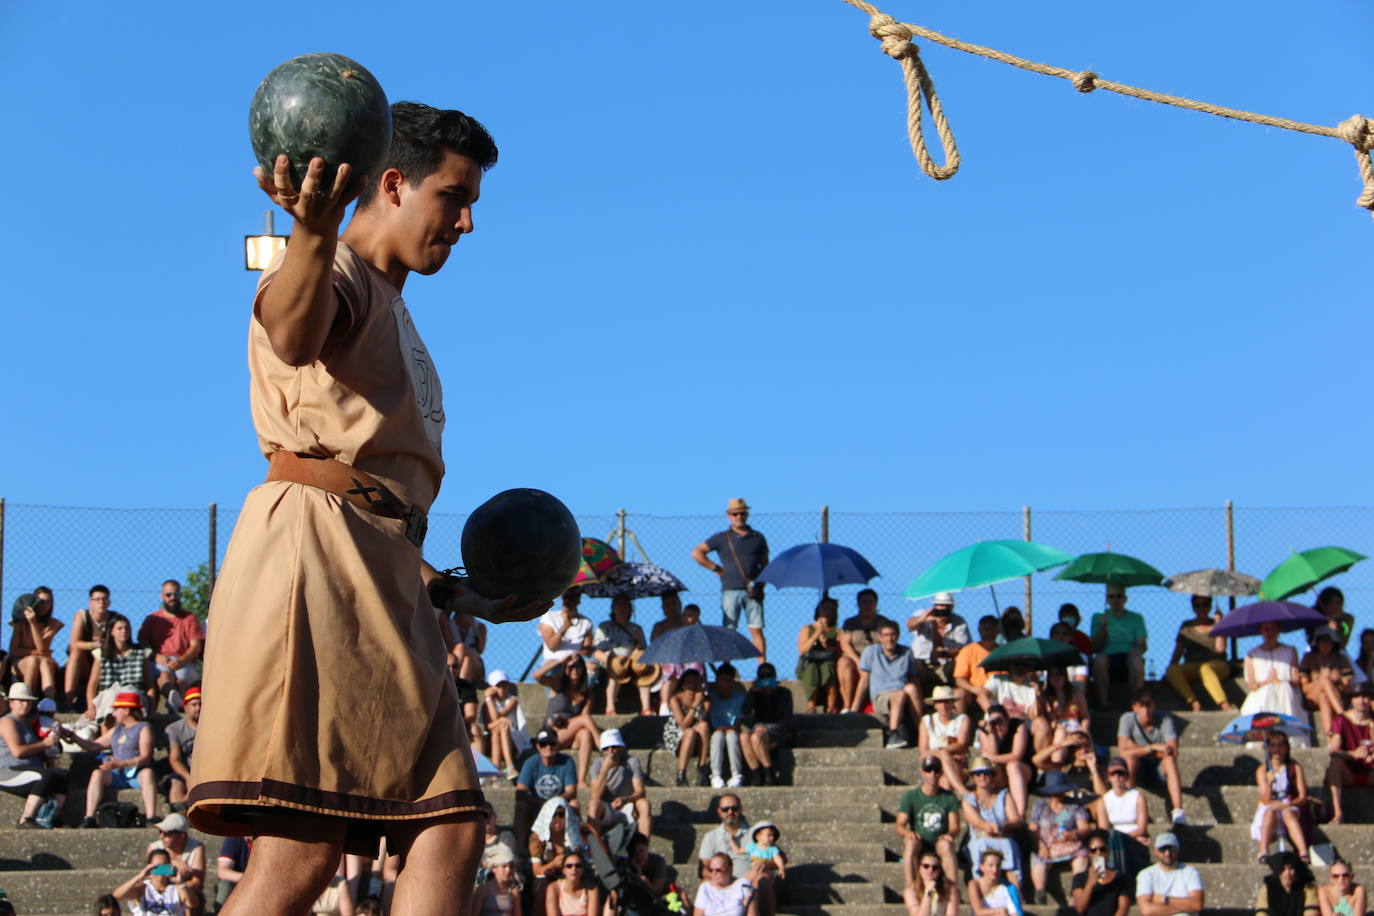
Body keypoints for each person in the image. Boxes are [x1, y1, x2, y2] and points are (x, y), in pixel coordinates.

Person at [185, 101, 534, 916]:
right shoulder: (332, 269)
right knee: (302, 851)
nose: (468, 221)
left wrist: (450, 589)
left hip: (382, 564)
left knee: (449, 826)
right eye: (454, 195)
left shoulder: (395, 304)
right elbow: (291, 332)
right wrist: (310, 230)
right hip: (313, 556)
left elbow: (378, 490)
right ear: (392, 183)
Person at [691, 498, 770, 659]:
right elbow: (697, 553)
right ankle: (727, 668)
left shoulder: (758, 538)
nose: (738, 516)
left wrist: (761, 585)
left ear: (747, 515)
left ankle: (762, 669)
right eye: (735, 514)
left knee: (756, 630)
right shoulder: (721, 538)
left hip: (753, 590)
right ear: (728, 516)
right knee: (728, 630)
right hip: (730, 588)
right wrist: (716, 569)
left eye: (741, 513)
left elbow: (766, 564)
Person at [0, 682, 81, 827]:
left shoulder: (28, 724)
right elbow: (17, 751)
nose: (25, 705)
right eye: (21, 701)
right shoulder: (7, 721)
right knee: (45, 775)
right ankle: (26, 818)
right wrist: (45, 744)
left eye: (28, 701)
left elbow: (38, 751)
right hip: (8, 772)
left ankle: (52, 816)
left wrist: (52, 749)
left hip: (29, 770)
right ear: (11, 703)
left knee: (62, 775)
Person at [82, 690, 157, 825]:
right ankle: (89, 817)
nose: (113, 713)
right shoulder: (117, 730)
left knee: (148, 773)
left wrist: (120, 764)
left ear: (127, 710)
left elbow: (146, 757)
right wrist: (71, 736)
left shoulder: (143, 727)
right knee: (97, 774)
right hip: (117, 774)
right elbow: (93, 746)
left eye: (116, 709)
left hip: (136, 774)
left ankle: (151, 817)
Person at [1116, 689, 1186, 825]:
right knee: (1130, 760)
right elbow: (1123, 752)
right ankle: (1129, 809)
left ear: (1154, 705)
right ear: (1134, 707)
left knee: (1170, 760)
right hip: (1138, 770)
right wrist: (1152, 747)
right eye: (1141, 707)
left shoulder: (1165, 720)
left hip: (1159, 769)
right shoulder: (1127, 719)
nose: (1146, 711)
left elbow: (1173, 751)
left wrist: (1135, 747)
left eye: (1149, 706)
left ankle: (1178, 811)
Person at [698, 794, 773, 916]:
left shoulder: (756, 834)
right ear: (719, 812)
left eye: (734, 808)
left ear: (741, 809)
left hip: (750, 879)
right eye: (725, 809)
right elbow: (703, 869)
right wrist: (721, 877)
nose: (730, 812)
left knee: (763, 879)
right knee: (705, 882)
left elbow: (778, 858)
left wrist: (762, 865)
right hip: (723, 880)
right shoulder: (711, 837)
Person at [1027, 770, 1092, 905]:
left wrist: (1073, 834)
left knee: (1082, 856)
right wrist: (1041, 845)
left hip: (1070, 844)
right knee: (1038, 860)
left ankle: (1076, 896)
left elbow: (1084, 827)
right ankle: (1040, 893)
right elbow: (1033, 828)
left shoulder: (1074, 805)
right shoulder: (1040, 805)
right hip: (1047, 844)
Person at [853, 621, 922, 749]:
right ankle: (893, 734)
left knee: (911, 688)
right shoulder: (871, 651)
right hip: (882, 696)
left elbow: (914, 679)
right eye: (885, 635)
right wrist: (854, 708)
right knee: (899, 694)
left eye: (893, 634)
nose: (889, 638)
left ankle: (922, 732)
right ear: (879, 637)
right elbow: (864, 680)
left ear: (898, 635)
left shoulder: (906, 652)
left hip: (904, 693)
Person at [138, 579, 204, 709]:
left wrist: (181, 660)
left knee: (181, 680)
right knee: (164, 675)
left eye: (176, 594)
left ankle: (180, 707)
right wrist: (156, 656)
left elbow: (195, 646)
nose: (172, 598)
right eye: (169, 595)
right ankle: (172, 697)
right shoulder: (152, 619)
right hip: (159, 660)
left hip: (184, 661)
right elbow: (143, 643)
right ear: (162, 596)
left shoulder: (190, 619)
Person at [896, 755, 962, 882]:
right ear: (922, 773)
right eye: (928, 770)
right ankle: (911, 888)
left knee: (946, 845)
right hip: (920, 841)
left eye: (936, 771)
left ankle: (952, 890)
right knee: (910, 843)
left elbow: (955, 826)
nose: (932, 774)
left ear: (941, 773)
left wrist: (950, 834)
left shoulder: (949, 797)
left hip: (938, 841)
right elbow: (900, 825)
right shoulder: (911, 796)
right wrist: (908, 833)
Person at [1163, 595, 1235, 712]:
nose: (1201, 608)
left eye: (1205, 605)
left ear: (1210, 606)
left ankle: (1223, 703)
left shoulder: (1216, 624)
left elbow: (1220, 649)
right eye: (1197, 605)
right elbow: (1178, 652)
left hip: (1216, 664)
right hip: (1193, 665)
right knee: (1172, 670)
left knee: (1205, 669)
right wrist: (1170, 670)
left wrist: (1219, 625)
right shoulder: (1187, 627)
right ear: (1193, 607)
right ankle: (1193, 702)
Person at [1253, 729, 1312, 863]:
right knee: (1269, 812)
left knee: (1288, 814)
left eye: (1280, 745)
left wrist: (1288, 804)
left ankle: (1303, 852)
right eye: (1273, 745)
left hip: (1289, 802)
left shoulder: (1294, 767)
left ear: (1286, 747)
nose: (1277, 750)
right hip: (1270, 804)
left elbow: (1302, 796)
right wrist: (1269, 783)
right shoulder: (1262, 770)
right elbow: (1265, 799)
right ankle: (1263, 851)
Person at [962, 756, 1023, 884]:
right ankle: (982, 888)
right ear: (973, 777)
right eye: (978, 773)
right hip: (981, 839)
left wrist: (1001, 827)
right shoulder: (968, 800)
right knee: (980, 845)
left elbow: (1016, 820)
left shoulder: (1004, 796)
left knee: (1009, 846)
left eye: (986, 773)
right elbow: (978, 823)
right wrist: (994, 828)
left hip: (1003, 837)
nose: (982, 776)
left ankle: (1016, 890)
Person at [540, 656, 601, 787]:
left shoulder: (586, 693)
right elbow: (537, 675)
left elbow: (585, 718)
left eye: (578, 666)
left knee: (585, 733)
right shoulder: (558, 684)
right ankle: (601, 744)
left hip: (572, 734)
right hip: (553, 733)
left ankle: (581, 780)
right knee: (585, 720)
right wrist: (559, 661)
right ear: (565, 669)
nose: (574, 669)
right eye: (570, 666)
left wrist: (568, 720)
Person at [595, 596, 659, 716]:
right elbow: (597, 651)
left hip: (632, 660)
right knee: (616, 669)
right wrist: (611, 660)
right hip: (613, 661)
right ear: (613, 608)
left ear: (630, 609)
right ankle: (610, 708)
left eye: (625, 605)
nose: (622, 608)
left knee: (643, 670)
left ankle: (646, 708)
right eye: (619, 605)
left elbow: (643, 650)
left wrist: (638, 640)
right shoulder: (604, 627)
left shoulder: (636, 628)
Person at [85, 612, 155, 720]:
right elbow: (92, 685)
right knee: (110, 696)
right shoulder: (102, 654)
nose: (124, 631)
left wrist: (152, 708)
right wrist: (91, 707)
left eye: (127, 628)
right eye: (120, 628)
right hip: (108, 694)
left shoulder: (141, 653)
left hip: (133, 692)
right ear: (112, 631)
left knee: (130, 695)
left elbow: (150, 685)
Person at [839, 589, 897, 713]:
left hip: (877, 661)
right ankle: (847, 705)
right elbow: (845, 644)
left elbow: (889, 644)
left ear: (876, 604)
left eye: (870, 602)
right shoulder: (850, 623)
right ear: (858, 605)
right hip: (855, 660)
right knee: (844, 663)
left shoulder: (884, 622)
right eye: (864, 602)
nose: (867, 605)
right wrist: (858, 661)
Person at [585, 728, 651, 839]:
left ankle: (643, 848)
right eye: (606, 749)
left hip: (628, 806)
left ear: (621, 748)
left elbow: (640, 791)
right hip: (607, 809)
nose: (611, 751)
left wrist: (625, 799)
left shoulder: (632, 762)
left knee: (645, 804)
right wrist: (605, 769)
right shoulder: (597, 764)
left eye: (614, 747)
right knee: (593, 804)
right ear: (602, 751)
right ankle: (593, 849)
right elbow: (595, 795)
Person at [1091, 757, 1149, 881]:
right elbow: (1104, 830)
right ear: (1108, 777)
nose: (1117, 777)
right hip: (1114, 840)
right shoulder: (1104, 800)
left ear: (1126, 775)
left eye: (1120, 773)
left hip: (1132, 838)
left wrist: (1123, 837)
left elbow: (1142, 828)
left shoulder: (1138, 797)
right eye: (1113, 774)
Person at [1324, 682, 1373, 825]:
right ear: (1352, 700)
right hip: (1349, 772)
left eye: (1365, 697)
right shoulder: (1342, 720)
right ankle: (1338, 813)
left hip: (1370, 771)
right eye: (1358, 697)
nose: (1362, 700)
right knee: (1335, 764)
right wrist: (1352, 754)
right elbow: (1334, 750)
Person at [1090, 587, 1147, 707]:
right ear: (1107, 600)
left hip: (1128, 657)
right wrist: (1102, 629)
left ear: (1125, 599)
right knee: (1099, 660)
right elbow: (1094, 647)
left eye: (1119, 596)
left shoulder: (1136, 618)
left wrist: (1136, 651)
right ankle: (1104, 704)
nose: (1116, 599)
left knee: (1136, 660)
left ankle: (1137, 704)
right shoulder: (1098, 617)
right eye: (1112, 596)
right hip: (1107, 658)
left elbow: (1142, 645)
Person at [740, 662, 793, 787]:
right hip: (758, 731)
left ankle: (769, 774)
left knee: (756, 736)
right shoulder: (756, 694)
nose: (766, 678)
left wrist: (765, 728)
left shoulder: (784, 693)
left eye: (769, 675)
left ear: (774, 676)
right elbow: (744, 712)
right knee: (744, 737)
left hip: (777, 731)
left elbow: (786, 719)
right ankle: (756, 773)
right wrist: (752, 693)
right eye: (762, 676)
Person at [906, 593, 970, 694]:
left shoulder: (959, 622)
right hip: (923, 663)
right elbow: (909, 624)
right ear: (934, 606)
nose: (943, 610)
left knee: (961, 660)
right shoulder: (923, 614)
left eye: (947, 607)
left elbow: (963, 649)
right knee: (912, 662)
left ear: (952, 607)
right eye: (940, 606)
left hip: (947, 665)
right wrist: (922, 619)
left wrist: (944, 653)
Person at [1241, 620, 1305, 719]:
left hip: (1285, 695)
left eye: (1273, 629)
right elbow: (1252, 685)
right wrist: (1267, 682)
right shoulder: (1252, 654)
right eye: (1266, 629)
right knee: (1267, 691)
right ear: (1261, 631)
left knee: (1283, 688)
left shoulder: (1290, 651)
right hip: (1261, 694)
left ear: (1278, 630)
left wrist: (1280, 681)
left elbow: (1295, 680)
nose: (1269, 632)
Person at [977, 704, 1033, 817]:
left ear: (1007, 719)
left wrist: (991, 758)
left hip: (1022, 771)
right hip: (1000, 775)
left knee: (1012, 766)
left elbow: (1017, 755)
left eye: (1000, 721)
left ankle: (1020, 814)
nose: (998, 726)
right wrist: (991, 733)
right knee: (989, 767)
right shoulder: (985, 731)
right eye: (993, 722)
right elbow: (990, 761)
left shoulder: (1018, 726)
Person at [529, 798, 581, 916]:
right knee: (545, 886)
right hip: (546, 878)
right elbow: (536, 870)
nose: (557, 819)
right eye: (553, 815)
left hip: (570, 876)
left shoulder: (573, 834)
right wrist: (552, 864)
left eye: (561, 814)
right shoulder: (537, 838)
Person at [64, 584, 113, 710]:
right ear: (90, 602)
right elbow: (74, 642)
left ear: (109, 602)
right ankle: (68, 700)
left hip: (105, 662)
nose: (101, 602)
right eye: (97, 599)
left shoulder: (114, 619)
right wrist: (93, 645)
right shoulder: (82, 616)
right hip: (85, 663)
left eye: (104, 599)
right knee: (75, 653)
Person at [1301, 628, 1356, 738]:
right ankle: (1342, 715)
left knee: (1324, 697)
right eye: (1322, 641)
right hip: (1312, 696)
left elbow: (1348, 688)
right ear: (1317, 643)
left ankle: (1331, 736)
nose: (1325, 644)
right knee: (1325, 681)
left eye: (1328, 641)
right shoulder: (1309, 658)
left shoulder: (1341, 658)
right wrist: (1321, 680)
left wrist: (1339, 678)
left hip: (1336, 696)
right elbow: (1304, 688)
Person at [534, 590, 598, 685]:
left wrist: (572, 657)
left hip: (576, 661)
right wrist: (564, 628)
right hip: (554, 661)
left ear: (578, 600)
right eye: (565, 597)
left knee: (592, 668)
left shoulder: (586, 622)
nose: (568, 600)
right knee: (551, 673)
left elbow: (588, 650)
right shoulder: (549, 617)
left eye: (572, 597)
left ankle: (583, 695)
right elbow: (552, 646)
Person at [147, 812, 207, 913]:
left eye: (167, 833)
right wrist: (173, 865)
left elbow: (197, 882)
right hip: (159, 889)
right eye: (160, 832)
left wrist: (178, 886)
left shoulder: (196, 848)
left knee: (195, 898)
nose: (161, 836)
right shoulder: (154, 847)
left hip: (184, 889)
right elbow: (150, 872)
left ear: (181, 836)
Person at [9, 589, 62, 701]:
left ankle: (50, 703)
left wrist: (33, 623)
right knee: (34, 660)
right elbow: (14, 651)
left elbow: (42, 647)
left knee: (45, 662)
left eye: (48, 602)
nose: (45, 605)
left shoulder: (53, 624)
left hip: (44, 662)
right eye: (41, 601)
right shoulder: (19, 622)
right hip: (22, 663)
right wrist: (37, 653)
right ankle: (28, 700)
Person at [1135, 832, 1204, 916]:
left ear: (1178, 850)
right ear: (1156, 851)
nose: (1167, 853)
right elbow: (1146, 910)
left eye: (1172, 849)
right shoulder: (1146, 875)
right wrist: (1184, 907)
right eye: (1163, 849)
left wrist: (1164, 899)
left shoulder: (1190, 872)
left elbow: (1197, 904)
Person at [664, 668, 711, 787]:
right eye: (690, 682)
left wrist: (702, 702)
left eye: (696, 682)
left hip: (698, 735)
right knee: (690, 732)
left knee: (704, 726)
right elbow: (684, 724)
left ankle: (702, 768)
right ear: (684, 684)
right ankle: (681, 774)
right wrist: (694, 706)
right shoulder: (675, 699)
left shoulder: (703, 698)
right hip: (678, 734)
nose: (693, 686)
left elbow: (703, 718)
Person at [919, 685, 970, 791]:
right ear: (935, 705)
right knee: (945, 783)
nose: (943, 705)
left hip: (957, 766)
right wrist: (944, 752)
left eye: (947, 701)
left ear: (952, 703)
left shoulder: (962, 720)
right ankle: (962, 790)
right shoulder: (927, 721)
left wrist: (939, 752)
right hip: (934, 766)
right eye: (940, 702)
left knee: (946, 781)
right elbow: (923, 752)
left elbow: (962, 744)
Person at [484, 670, 532, 782]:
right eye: (498, 686)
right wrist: (489, 700)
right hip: (497, 736)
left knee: (503, 724)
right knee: (498, 730)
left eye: (504, 685)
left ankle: (499, 770)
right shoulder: (489, 703)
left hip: (514, 739)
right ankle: (505, 768)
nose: (502, 688)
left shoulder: (512, 700)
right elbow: (490, 726)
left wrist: (489, 701)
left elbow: (497, 717)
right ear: (492, 687)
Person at [114, 848, 194, 915]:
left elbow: (192, 903)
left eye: (164, 866)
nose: (161, 870)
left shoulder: (177, 888)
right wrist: (140, 876)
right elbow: (118, 895)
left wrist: (180, 883)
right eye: (157, 867)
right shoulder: (142, 888)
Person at [795, 598, 841, 714]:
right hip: (808, 662)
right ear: (819, 610)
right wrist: (817, 634)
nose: (828, 612)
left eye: (832, 610)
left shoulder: (838, 631)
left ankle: (831, 707)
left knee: (828, 668)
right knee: (812, 669)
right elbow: (802, 650)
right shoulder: (807, 628)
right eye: (826, 609)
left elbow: (838, 652)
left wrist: (826, 642)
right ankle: (811, 706)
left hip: (828, 661)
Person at [517, 730, 579, 815]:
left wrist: (552, 802)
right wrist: (540, 803)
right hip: (536, 804)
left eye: (552, 743)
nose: (548, 747)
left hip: (559, 804)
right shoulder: (530, 763)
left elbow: (571, 791)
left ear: (557, 745)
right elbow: (520, 792)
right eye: (544, 744)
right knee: (521, 806)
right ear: (538, 746)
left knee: (574, 804)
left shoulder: (567, 762)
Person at [1070, 830, 1131, 916]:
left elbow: (1123, 908)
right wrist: (1090, 884)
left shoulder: (1120, 878)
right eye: (1093, 850)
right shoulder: (1080, 878)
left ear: (1108, 851)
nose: (1098, 853)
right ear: (1089, 853)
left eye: (1102, 849)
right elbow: (1080, 908)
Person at [708, 664, 748, 788]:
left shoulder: (740, 699)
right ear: (717, 681)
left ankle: (736, 774)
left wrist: (730, 729)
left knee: (732, 736)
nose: (726, 684)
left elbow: (737, 722)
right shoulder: (710, 698)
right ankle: (716, 775)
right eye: (723, 680)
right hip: (716, 731)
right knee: (717, 737)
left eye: (729, 681)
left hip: (732, 731)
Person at [165, 684, 200, 811]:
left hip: (205, 768)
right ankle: (177, 809)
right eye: (194, 705)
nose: (198, 708)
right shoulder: (174, 729)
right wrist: (187, 776)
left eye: (200, 704)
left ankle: (184, 806)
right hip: (185, 768)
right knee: (175, 783)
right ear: (185, 707)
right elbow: (174, 759)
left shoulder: (211, 727)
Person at [953, 616, 1001, 713]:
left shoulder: (1003, 651)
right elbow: (959, 679)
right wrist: (974, 689)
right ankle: (961, 724)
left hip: (998, 692)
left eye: (992, 629)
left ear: (997, 631)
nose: (989, 633)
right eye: (986, 629)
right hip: (975, 692)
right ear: (979, 630)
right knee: (959, 693)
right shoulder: (968, 650)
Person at [1256, 851, 1320, 916]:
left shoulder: (1308, 888)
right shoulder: (1267, 888)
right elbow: (1262, 912)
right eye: (1283, 869)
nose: (1288, 873)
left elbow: (1311, 912)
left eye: (1291, 868)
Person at [966, 849, 1025, 916]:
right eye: (990, 865)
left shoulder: (1008, 888)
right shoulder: (974, 884)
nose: (995, 870)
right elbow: (978, 912)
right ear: (982, 867)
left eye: (998, 865)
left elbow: (1015, 912)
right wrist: (999, 911)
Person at [903, 849, 959, 916]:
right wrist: (928, 892)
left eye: (935, 867)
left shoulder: (950, 890)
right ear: (919, 868)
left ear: (939, 871)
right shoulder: (910, 891)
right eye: (926, 866)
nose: (930, 870)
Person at [545, 850, 600, 916]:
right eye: (569, 866)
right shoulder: (553, 888)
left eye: (578, 866)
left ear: (583, 869)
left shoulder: (591, 889)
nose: (574, 869)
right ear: (563, 870)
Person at [472, 846, 521, 916]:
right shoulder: (484, 889)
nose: (508, 870)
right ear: (494, 868)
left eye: (511, 866)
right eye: (504, 866)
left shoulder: (514, 892)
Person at [744, 821, 787, 887]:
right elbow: (740, 850)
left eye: (773, 835)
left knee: (763, 880)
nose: (772, 838)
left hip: (766, 873)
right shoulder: (753, 846)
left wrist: (781, 868)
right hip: (753, 872)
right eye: (769, 835)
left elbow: (779, 859)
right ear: (758, 837)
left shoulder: (773, 848)